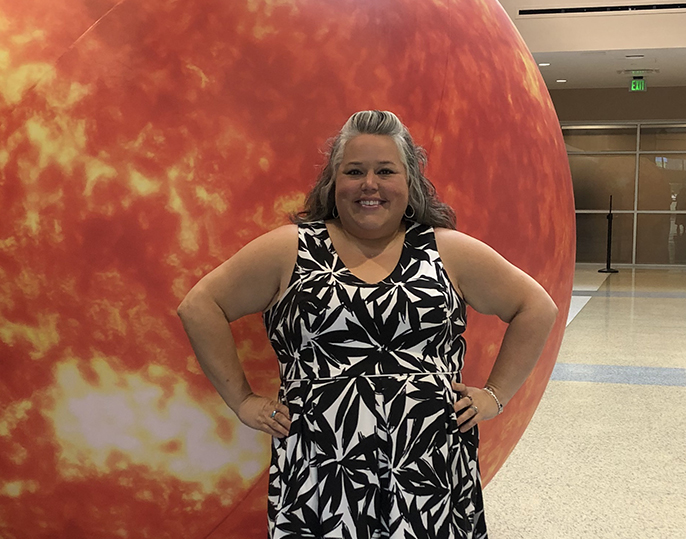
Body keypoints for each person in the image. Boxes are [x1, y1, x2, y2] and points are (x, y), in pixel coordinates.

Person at [177, 110, 558, 538]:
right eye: (354, 171)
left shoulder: (448, 251)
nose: (370, 185)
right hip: (319, 473)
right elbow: (200, 305)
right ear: (333, 182)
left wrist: (495, 395)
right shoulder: (290, 249)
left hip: (428, 471)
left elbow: (536, 308)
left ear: (409, 181)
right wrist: (243, 400)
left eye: (385, 171)